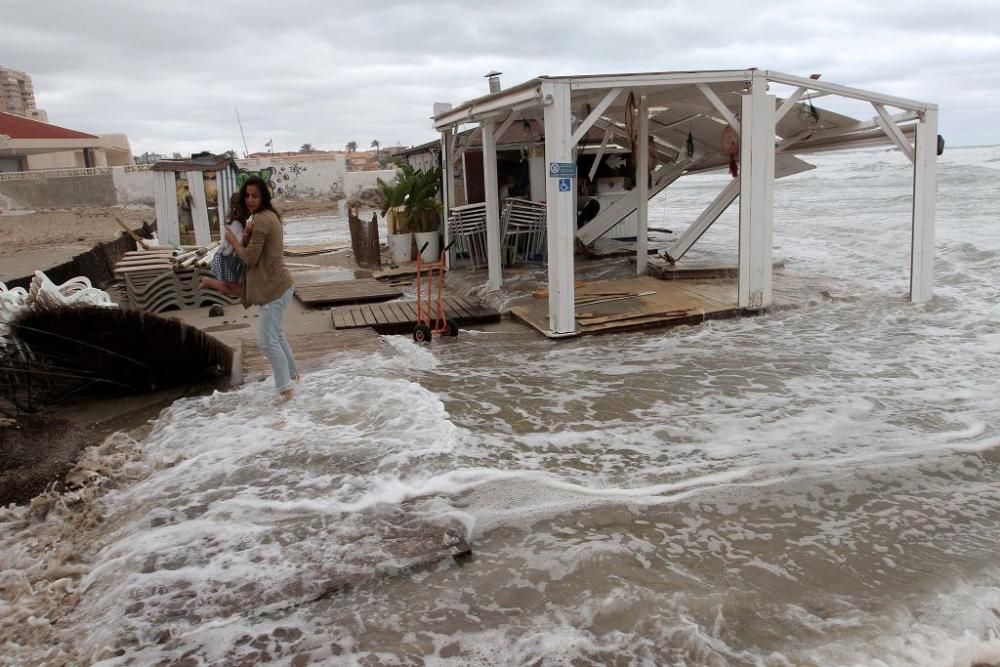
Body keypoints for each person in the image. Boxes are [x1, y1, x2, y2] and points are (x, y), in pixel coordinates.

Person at [226, 176, 299, 401]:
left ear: (263, 197)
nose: (250, 200)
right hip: (278, 285)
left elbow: (249, 258)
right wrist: (246, 235)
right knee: (276, 334)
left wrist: (234, 240)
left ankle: (285, 391)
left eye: (255, 196)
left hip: (275, 288)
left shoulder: (263, 220)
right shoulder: (261, 216)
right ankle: (294, 377)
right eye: (247, 195)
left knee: (267, 343)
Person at [200, 192, 247, 297]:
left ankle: (216, 285)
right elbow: (238, 243)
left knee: (231, 286)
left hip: (229, 259)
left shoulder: (235, 222)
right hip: (227, 260)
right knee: (239, 291)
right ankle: (209, 282)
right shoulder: (236, 225)